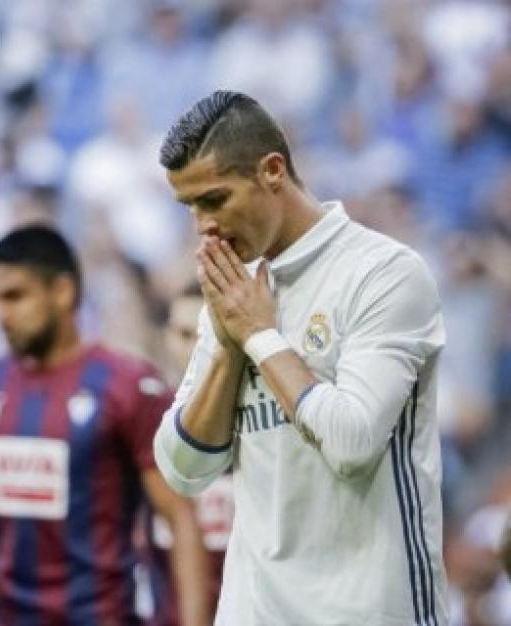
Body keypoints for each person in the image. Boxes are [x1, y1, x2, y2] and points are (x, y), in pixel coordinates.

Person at [152, 91, 447, 625]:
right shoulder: (235, 294)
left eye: (215, 200)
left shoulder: (383, 274)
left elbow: (352, 443)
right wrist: (227, 346)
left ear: (272, 171)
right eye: (189, 207)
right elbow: (182, 470)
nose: (202, 226)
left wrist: (261, 338)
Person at [0, 225, 206, 625]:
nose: (2, 314)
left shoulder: (128, 386)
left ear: (62, 292)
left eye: (15, 296)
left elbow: (180, 520)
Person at [142, 282, 233, 625]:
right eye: (183, 334)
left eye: (205, 335)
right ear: (166, 337)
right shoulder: (143, 426)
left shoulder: (262, 430)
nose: (196, 350)